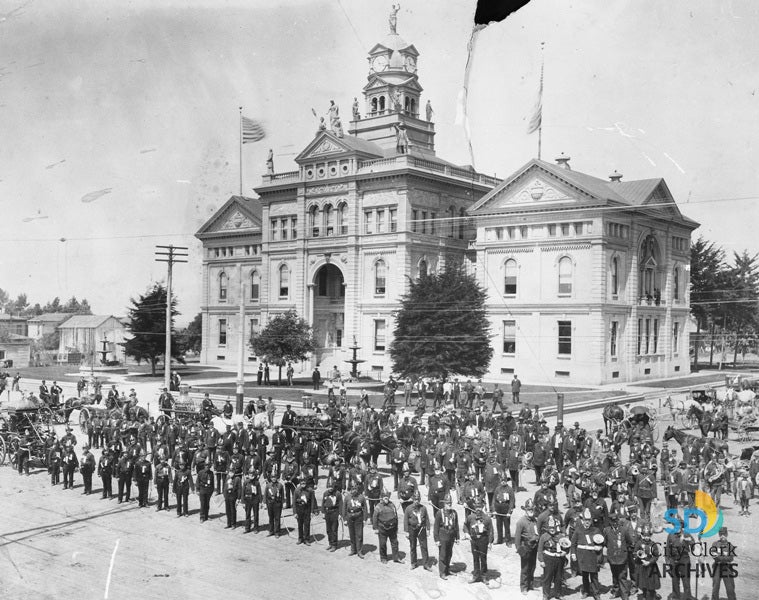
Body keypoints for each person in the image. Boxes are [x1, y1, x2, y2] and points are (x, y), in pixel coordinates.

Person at [604, 512, 633, 600]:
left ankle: (624, 595)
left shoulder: (624, 530)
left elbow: (629, 542)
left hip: (622, 557)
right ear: (610, 522)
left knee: (622, 576)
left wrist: (624, 550)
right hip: (612, 557)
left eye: (616, 521)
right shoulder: (607, 530)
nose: (615, 523)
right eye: (613, 522)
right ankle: (616, 591)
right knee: (615, 576)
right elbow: (605, 543)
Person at [464, 499, 494, 584]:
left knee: (483, 558)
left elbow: (491, 531)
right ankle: (476, 575)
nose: (478, 509)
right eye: (476, 507)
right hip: (474, 540)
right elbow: (465, 526)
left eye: (480, 507)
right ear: (474, 507)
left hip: (483, 540)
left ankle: (484, 576)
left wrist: (490, 542)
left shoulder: (487, 518)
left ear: (482, 507)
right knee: (475, 558)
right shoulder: (470, 517)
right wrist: (467, 533)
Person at [515, 498, 540, 593]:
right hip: (525, 547)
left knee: (533, 566)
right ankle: (524, 587)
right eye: (529, 509)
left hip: (534, 547)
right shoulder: (521, 522)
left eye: (532, 509)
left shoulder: (535, 520)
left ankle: (530, 584)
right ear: (525, 510)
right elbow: (517, 539)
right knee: (525, 568)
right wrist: (519, 549)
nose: (531, 511)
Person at [538, 522, 568, 600]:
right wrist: (541, 560)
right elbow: (540, 549)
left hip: (559, 559)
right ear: (547, 528)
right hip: (548, 558)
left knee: (558, 577)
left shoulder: (560, 536)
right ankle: (546, 595)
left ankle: (558, 593)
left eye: (554, 527)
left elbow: (567, 545)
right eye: (550, 528)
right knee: (547, 577)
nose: (552, 529)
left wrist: (565, 552)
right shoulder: (544, 537)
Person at [373, 490, 404, 564]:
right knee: (383, 544)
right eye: (385, 498)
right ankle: (383, 558)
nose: (386, 499)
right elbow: (374, 518)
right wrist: (376, 528)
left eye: (387, 498)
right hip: (382, 528)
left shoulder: (392, 505)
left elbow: (396, 516)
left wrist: (396, 527)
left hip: (392, 528)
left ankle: (396, 557)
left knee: (395, 543)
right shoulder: (378, 507)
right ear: (382, 498)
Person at [433, 493, 459, 580]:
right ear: (444, 504)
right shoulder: (439, 513)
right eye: (448, 503)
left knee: (449, 554)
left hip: (451, 536)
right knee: (443, 554)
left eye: (450, 503)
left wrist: (457, 537)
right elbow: (436, 527)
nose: (449, 505)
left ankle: (447, 569)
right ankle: (442, 572)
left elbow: (456, 526)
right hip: (443, 536)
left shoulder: (454, 513)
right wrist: (436, 539)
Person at [404, 491, 432, 571]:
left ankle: (426, 564)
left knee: (424, 546)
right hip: (412, 529)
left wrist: (428, 529)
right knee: (413, 546)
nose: (417, 501)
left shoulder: (423, 508)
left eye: (418, 499)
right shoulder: (408, 509)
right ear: (413, 499)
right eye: (415, 499)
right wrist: (406, 531)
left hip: (421, 529)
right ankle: (413, 563)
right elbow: (405, 520)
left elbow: (426, 519)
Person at [634, 523, 661, 600]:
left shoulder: (653, 544)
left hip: (651, 566)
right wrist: (641, 560)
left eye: (648, 535)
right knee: (643, 582)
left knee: (651, 582)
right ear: (642, 535)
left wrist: (649, 562)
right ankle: (644, 595)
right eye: (645, 535)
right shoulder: (639, 543)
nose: (646, 537)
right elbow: (635, 552)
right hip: (642, 565)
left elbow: (656, 555)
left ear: (650, 536)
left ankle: (652, 595)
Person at [344, 484, 368, 557]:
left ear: (357, 490)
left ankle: (359, 551)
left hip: (358, 517)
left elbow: (365, 509)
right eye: (352, 489)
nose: (354, 490)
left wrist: (364, 519)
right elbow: (344, 508)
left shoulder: (361, 497)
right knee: (352, 534)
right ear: (350, 490)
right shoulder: (347, 497)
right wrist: (345, 519)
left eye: (355, 489)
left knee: (359, 535)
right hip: (350, 517)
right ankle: (353, 550)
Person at [294, 479, 318, 545]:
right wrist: (295, 512)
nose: (303, 484)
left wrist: (312, 511)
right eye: (302, 483)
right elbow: (294, 502)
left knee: (307, 524)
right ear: (300, 483)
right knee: (300, 524)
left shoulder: (310, 490)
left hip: (307, 509)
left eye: (304, 483)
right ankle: (300, 538)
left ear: (306, 483)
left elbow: (313, 501)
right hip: (299, 509)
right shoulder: (297, 490)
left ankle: (306, 539)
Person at [322, 481, 343, 551]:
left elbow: (341, 504)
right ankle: (330, 543)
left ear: (334, 487)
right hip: (327, 513)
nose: (330, 488)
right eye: (329, 487)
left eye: (331, 487)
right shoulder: (325, 493)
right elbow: (323, 503)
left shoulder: (338, 494)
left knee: (334, 529)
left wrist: (340, 514)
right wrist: (323, 512)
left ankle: (334, 545)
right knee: (328, 530)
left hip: (335, 512)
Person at [265, 473, 285, 537]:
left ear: (277, 477)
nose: (273, 478)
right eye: (272, 477)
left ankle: (277, 532)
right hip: (270, 503)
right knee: (271, 518)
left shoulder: (280, 485)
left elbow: (282, 495)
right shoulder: (268, 485)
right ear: (270, 478)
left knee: (277, 518)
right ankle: (271, 531)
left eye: (275, 477)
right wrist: (265, 503)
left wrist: (282, 504)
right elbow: (265, 495)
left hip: (277, 503)